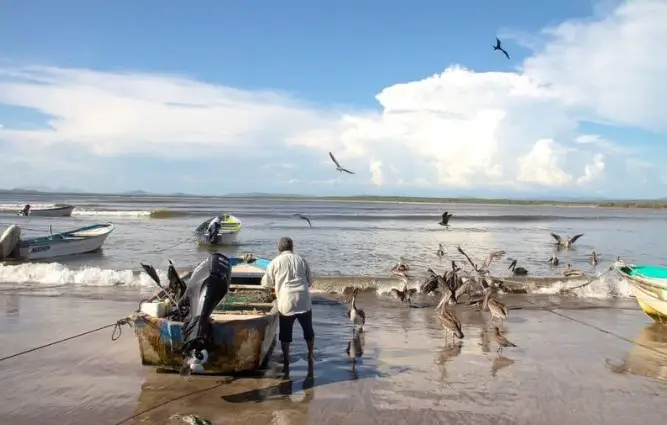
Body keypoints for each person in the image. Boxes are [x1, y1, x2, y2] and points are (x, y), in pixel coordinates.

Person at [261, 237, 314, 378]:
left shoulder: (275, 262)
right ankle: (310, 355)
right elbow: (309, 282)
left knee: (285, 334)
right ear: (292, 247)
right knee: (308, 331)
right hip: (303, 300)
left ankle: (286, 358)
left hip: (286, 301)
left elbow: (266, 283)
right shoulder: (302, 260)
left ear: (279, 248)